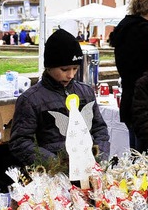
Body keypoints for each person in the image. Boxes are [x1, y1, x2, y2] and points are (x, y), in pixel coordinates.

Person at [9, 29, 110, 167]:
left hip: (88, 168)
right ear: (49, 67)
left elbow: (100, 129)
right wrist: (56, 164)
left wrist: (99, 157)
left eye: (75, 68)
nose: (71, 75)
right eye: (64, 69)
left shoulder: (86, 92)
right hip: (52, 174)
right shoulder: (30, 99)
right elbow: (20, 142)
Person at [109, 0, 148, 148]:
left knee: (135, 150)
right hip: (145, 102)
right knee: (147, 154)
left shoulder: (123, 29)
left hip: (128, 99)